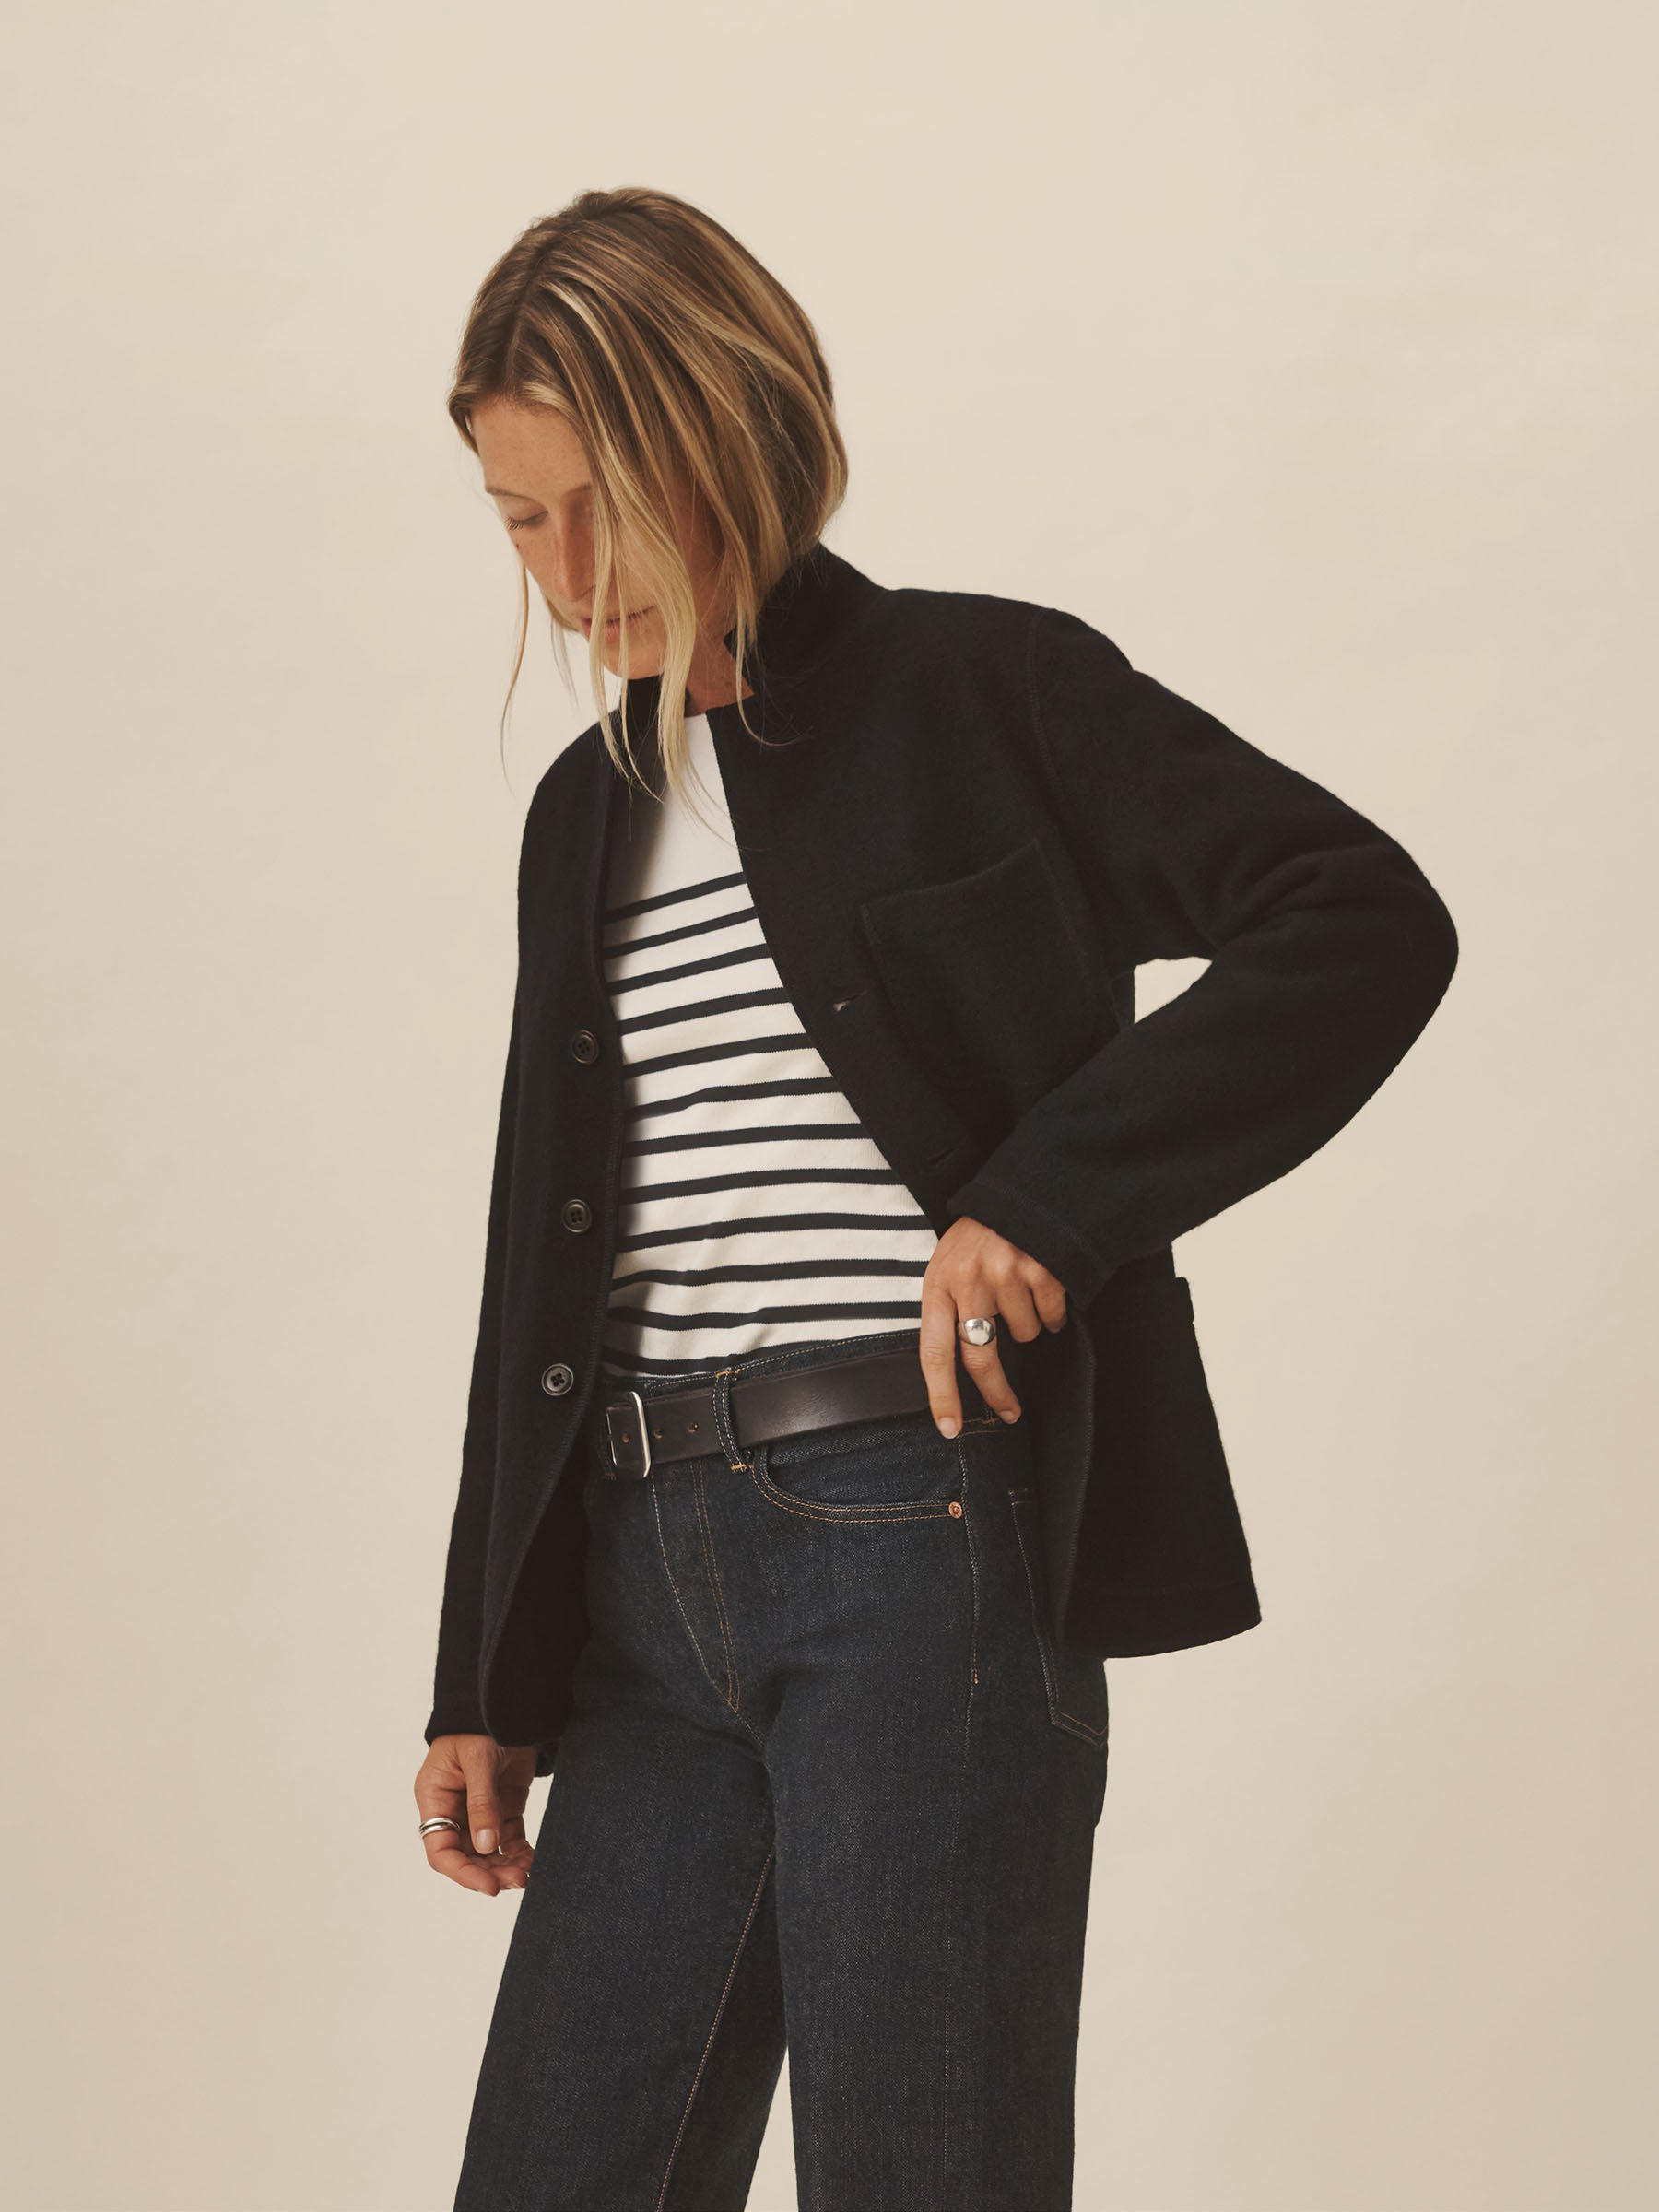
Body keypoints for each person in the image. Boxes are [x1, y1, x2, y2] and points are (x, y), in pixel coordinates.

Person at [411, 187, 1458, 2212]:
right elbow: (542, 1258)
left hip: (910, 1525)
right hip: (633, 1577)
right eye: (516, 520)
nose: (561, 574)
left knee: (924, 2174)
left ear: (724, 437)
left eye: (595, 507)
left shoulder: (987, 690)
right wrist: (487, 1666)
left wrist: (1047, 1201)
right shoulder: (582, 817)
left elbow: (1357, 914)